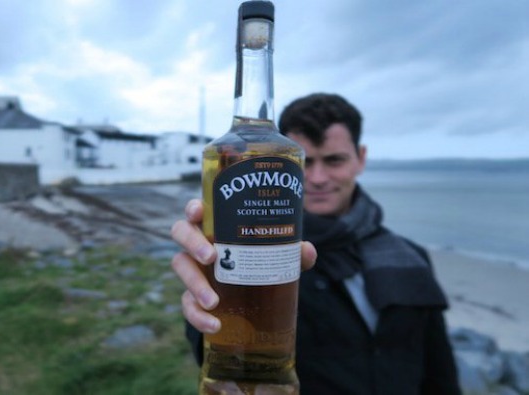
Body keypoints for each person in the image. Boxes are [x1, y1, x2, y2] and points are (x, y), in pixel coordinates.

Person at [171, 93, 461, 394]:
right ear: (279, 162)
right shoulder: (269, 257)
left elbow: (440, 374)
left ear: (361, 158)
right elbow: (231, 364)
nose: (318, 178)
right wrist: (204, 294)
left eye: (334, 160)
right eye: (306, 163)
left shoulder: (411, 257)